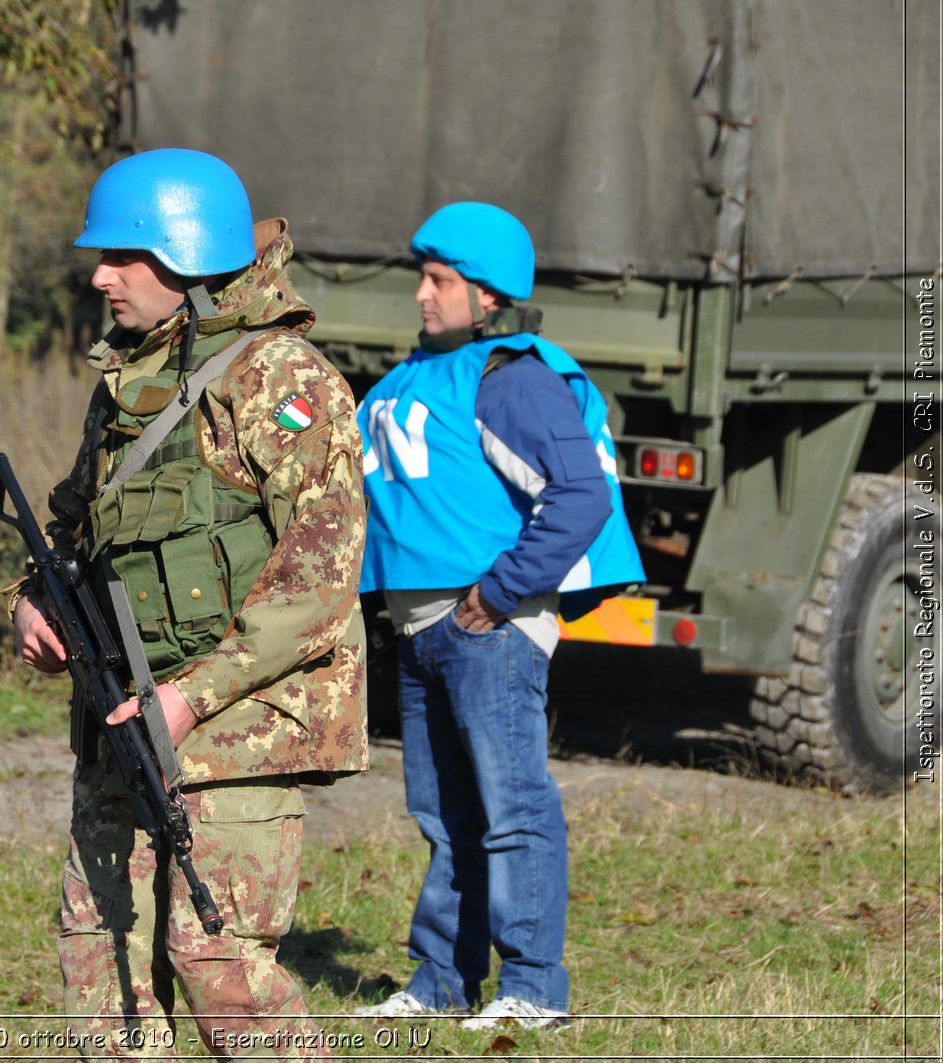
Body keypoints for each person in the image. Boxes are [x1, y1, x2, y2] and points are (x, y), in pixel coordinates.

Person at [7, 148, 368, 1060]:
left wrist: (189, 696)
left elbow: (318, 580)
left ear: (187, 257)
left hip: (233, 720)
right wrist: (29, 603)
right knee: (101, 955)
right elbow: (78, 530)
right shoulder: (129, 382)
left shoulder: (282, 381)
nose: (99, 276)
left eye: (121, 258)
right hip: (121, 713)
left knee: (218, 964)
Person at [351, 202, 643, 1030]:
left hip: (486, 628)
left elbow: (580, 495)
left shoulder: (510, 376)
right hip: (416, 630)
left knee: (513, 809)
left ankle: (534, 990)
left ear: (487, 296)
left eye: (440, 281)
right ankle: (442, 980)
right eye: (423, 277)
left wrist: (500, 594)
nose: (421, 294)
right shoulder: (415, 374)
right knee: (445, 817)